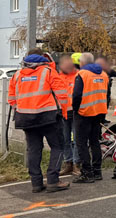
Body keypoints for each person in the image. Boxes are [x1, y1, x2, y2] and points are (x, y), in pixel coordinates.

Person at [8, 49, 70, 193]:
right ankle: (53, 181)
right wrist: (63, 111)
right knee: (57, 147)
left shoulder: (17, 75)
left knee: (34, 150)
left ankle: (36, 183)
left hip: (25, 118)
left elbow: (11, 99)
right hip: (48, 117)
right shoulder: (47, 71)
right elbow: (62, 94)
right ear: (43, 59)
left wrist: (24, 108)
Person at [73, 53, 109, 183]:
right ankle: (97, 171)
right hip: (99, 112)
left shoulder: (82, 74)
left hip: (84, 113)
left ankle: (87, 173)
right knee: (95, 141)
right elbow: (107, 95)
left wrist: (76, 109)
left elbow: (76, 95)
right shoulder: (104, 74)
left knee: (81, 143)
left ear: (82, 63)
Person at [56, 54, 80, 176]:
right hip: (62, 113)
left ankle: (76, 164)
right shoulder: (58, 77)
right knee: (65, 140)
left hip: (76, 113)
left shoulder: (78, 76)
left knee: (76, 140)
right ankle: (68, 163)